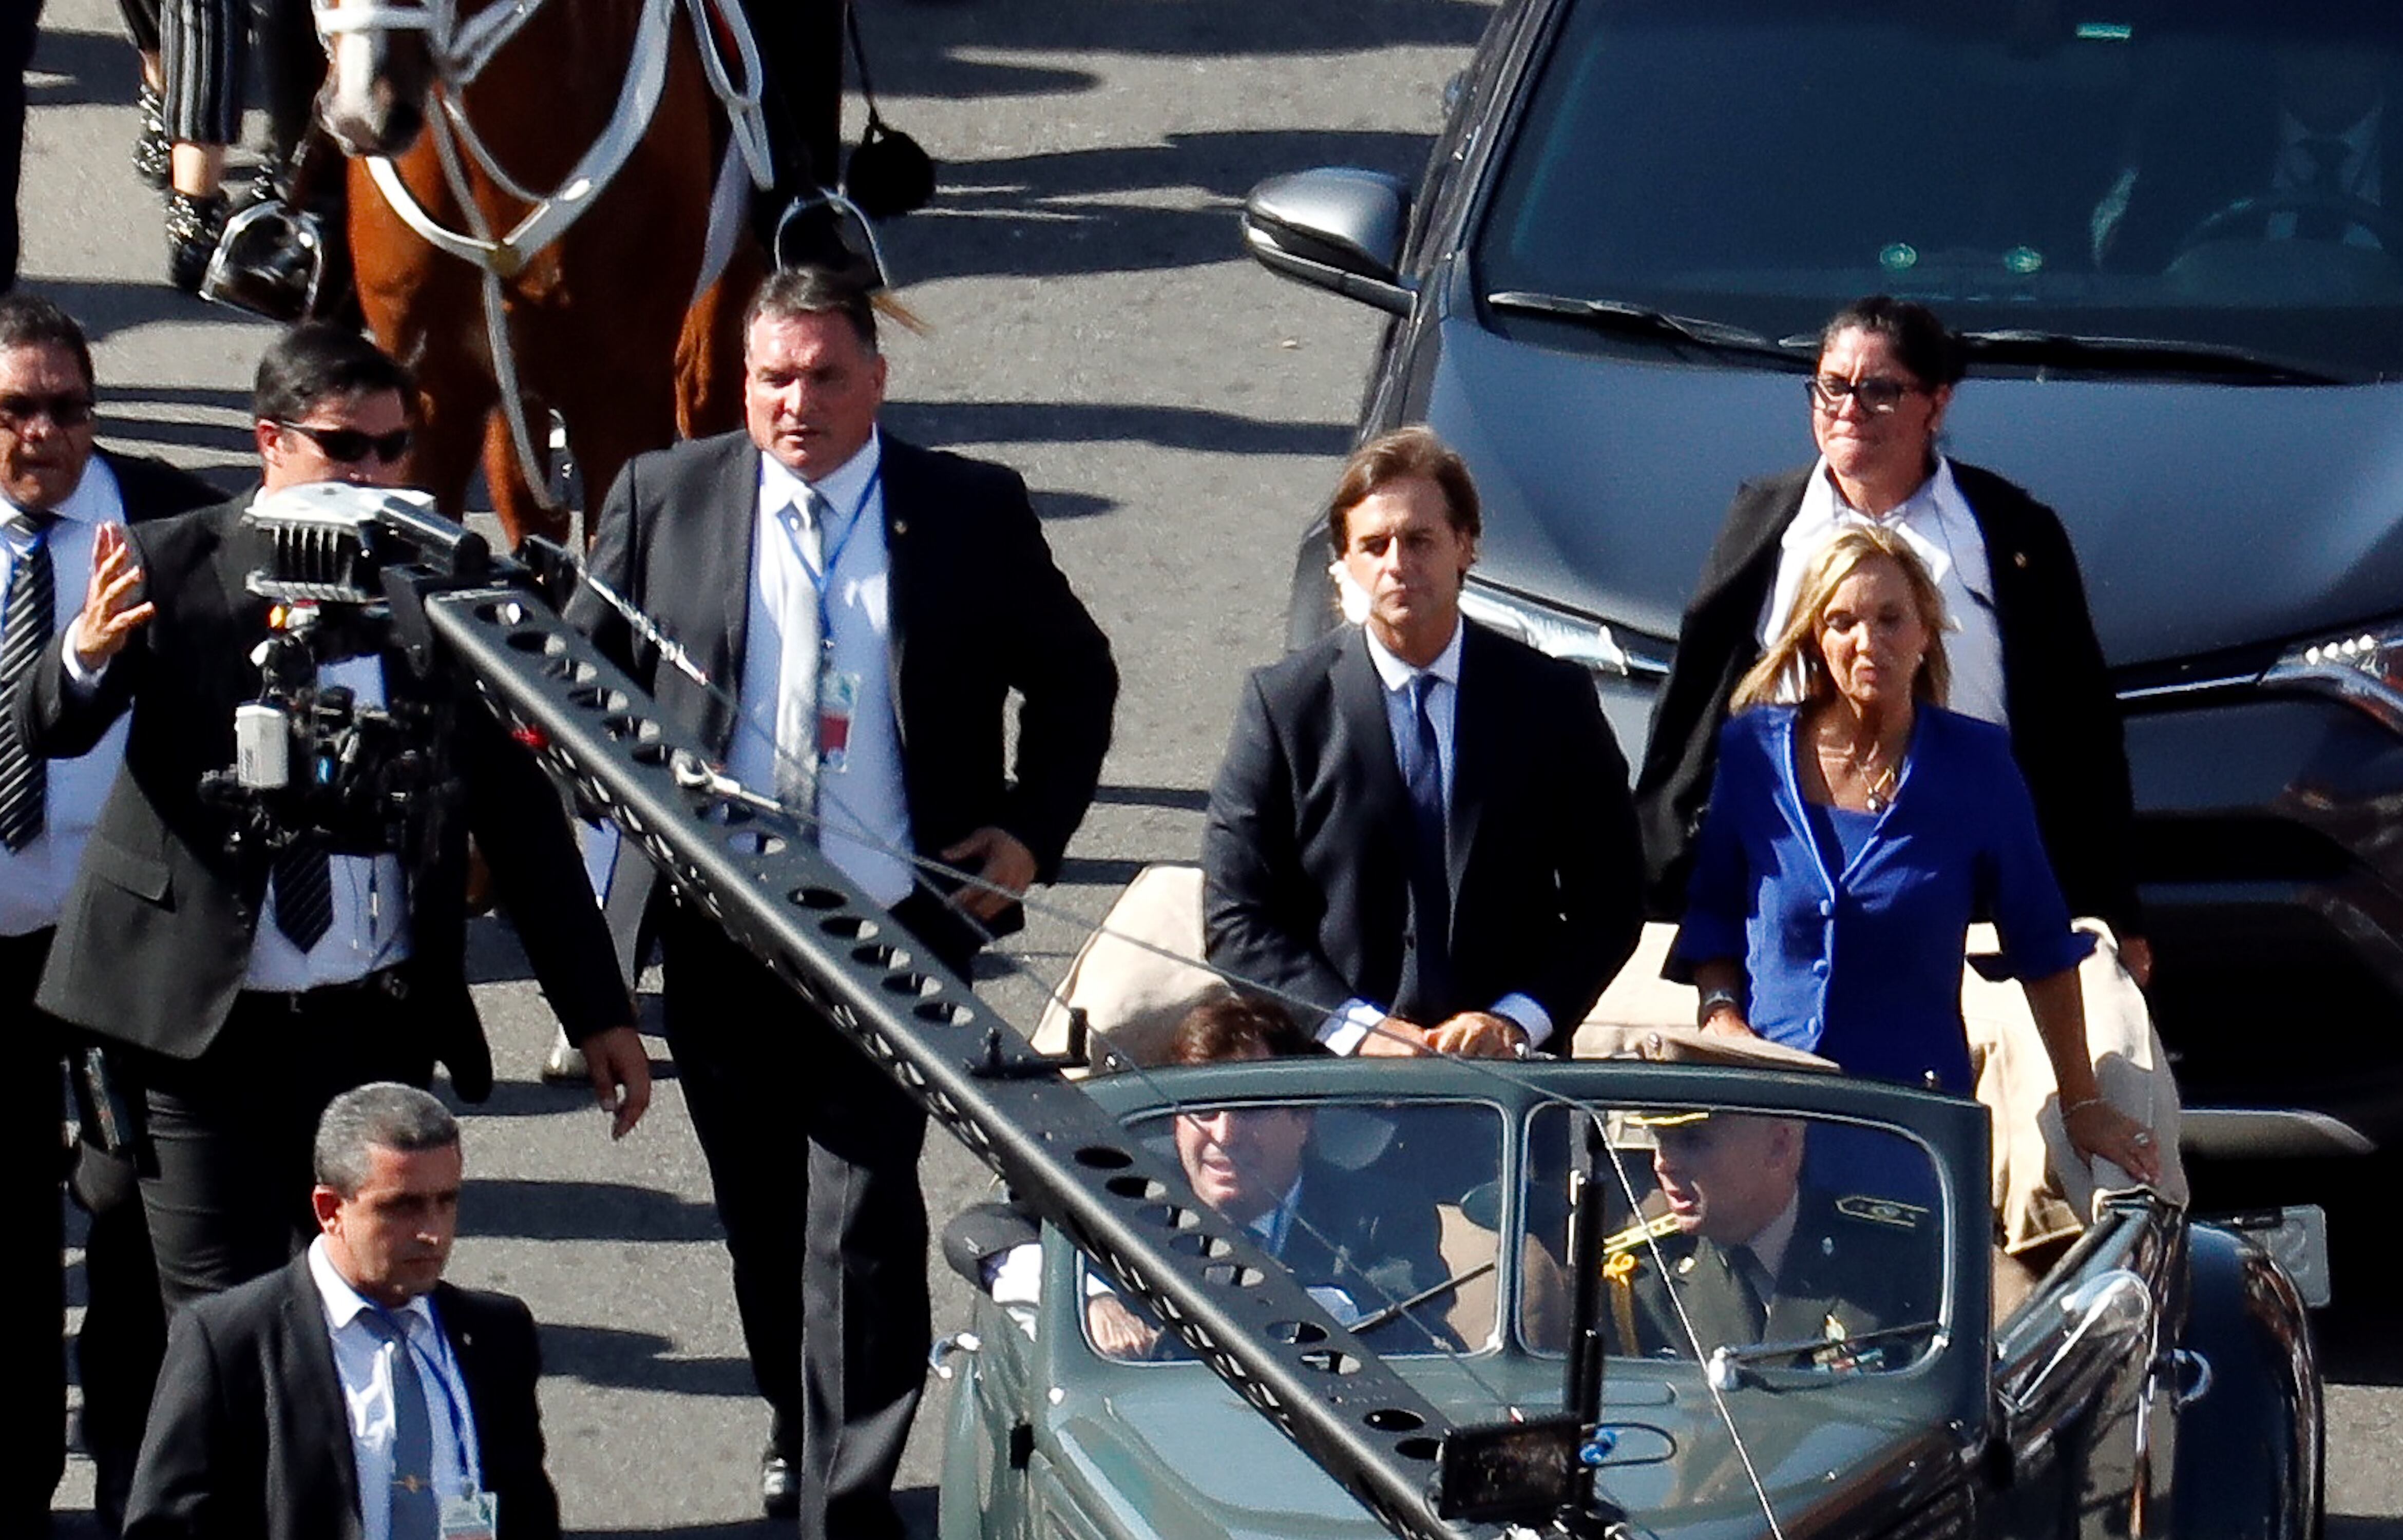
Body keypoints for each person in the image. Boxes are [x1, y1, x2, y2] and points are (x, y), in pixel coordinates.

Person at [569, 264, 1118, 1533]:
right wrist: (617, 828)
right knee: (764, 1217)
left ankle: (848, 1490)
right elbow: (577, 688)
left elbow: (1076, 677)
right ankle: (796, 1418)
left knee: (862, 1212)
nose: (796, 401)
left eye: (823, 375)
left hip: (896, 928)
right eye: (772, 377)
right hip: (722, 929)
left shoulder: (968, 510)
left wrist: (1030, 837)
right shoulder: (665, 496)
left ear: (875, 380)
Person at [15, 322, 650, 1317]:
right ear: (271, 441)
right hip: (203, 1036)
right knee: (223, 1325)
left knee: (358, 1311)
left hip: (372, 1027)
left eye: (393, 449)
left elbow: (516, 811)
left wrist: (598, 1010)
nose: (371, 473)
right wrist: (88, 649)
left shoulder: (441, 583)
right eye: (342, 448)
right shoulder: (172, 563)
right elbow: (54, 722)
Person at [1635, 296, 2149, 985]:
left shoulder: (2012, 531)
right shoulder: (1765, 519)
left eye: (1879, 392)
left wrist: (2115, 909)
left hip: (1969, 883)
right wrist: (1662, 873)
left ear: (1936, 406)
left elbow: (2084, 731)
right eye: (1832, 387)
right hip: (1797, 868)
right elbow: (1694, 704)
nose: (1849, 409)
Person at [1669, 526, 2160, 1183]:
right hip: (1768, 1123)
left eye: (1890, 619)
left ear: (1927, 630)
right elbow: (1714, 914)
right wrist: (1722, 1018)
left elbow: (2042, 944)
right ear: (1816, 637)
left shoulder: (1977, 766)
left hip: (1911, 1131)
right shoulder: (1752, 752)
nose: (1867, 643)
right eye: (1841, 622)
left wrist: (2083, 1104)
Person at [1204, 426, 1644, 1061]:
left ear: (1466, 546)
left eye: (1419, 541)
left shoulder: (1551, 700)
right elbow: (1236, 915)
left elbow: (1611, 901)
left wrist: (1516, 1022)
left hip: (1508, 1091)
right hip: (1336, 1093)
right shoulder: (1284, 706)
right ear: (1346, 562)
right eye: (1374, 545)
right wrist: (1354, 1028)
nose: (1397, 565)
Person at [0, 294, 215, 1532]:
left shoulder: (172, 517)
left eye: (69, 407)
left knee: (134, 1212)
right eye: (17, 410)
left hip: (125, 940)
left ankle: (132, 1472)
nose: (45, 433)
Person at [123, 1082, 562, 1539]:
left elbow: (526, 1510)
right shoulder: (230, 1341)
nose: (433, 1232)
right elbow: (165, 1527)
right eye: (403, 1207)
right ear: (330, 1208)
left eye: (446, 1201)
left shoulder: (495, 1334)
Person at [1076, 995, 1455, 1360]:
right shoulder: (1128, 1194)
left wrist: (1295, 1307)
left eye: (1249, 1110)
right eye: (1202, 1111)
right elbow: (1026, 1216)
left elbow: (1411, 1313)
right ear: (1176, 1123)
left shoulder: (1383, 1214)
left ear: (1302, 1118)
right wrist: (1090, 1299)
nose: (1223, 1136)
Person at [1607, 1110, 1934, 1366]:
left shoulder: (1894, 1257)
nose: (1664, 1164)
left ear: (1779, 1146)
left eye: (1692, 1141)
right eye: (1660, 1139)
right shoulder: (1645, 1276)